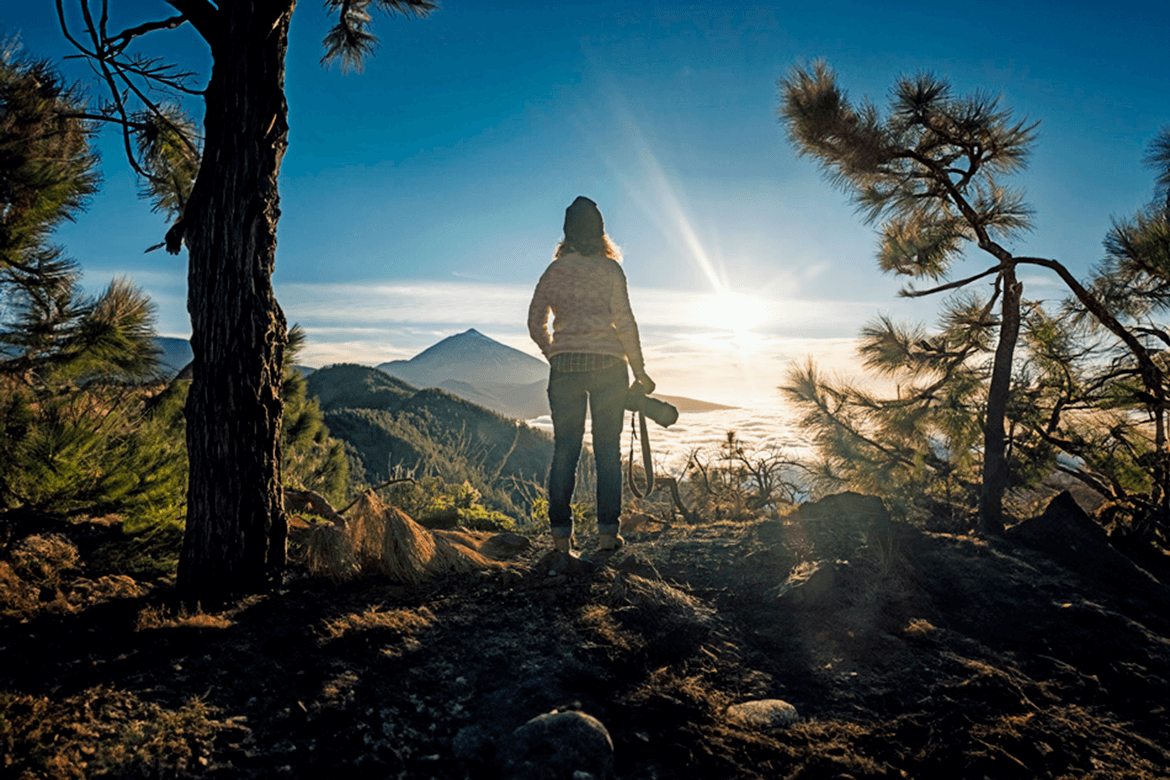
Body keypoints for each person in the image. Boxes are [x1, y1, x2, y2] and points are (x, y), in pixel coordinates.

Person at [528, 196, 655, 559]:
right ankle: (606, 536)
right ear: (600, 231)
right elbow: (626, 322)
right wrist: (640, 369)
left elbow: (534, 321)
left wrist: (553, 351)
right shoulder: (611, 270)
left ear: (566, 232)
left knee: (565, 451)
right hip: (608, 367)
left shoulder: (554, 272)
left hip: (565, 368)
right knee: (606, 452)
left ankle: (560, 539)